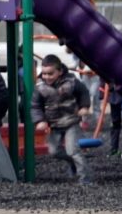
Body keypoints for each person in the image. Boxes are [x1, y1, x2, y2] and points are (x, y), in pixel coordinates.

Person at [31, 54, 92, 184]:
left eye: (50, 74)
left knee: (73, 150)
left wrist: (84, 106)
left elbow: (83, 92)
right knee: (54, 151)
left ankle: (85, 178)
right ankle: (73, 164)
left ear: (59, 71)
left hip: (71, 121)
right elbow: (35, 106)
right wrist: (40, 120)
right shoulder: (40, 86)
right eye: (44, 73)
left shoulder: (71, 81)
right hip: (54, 123)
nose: (47, 77)